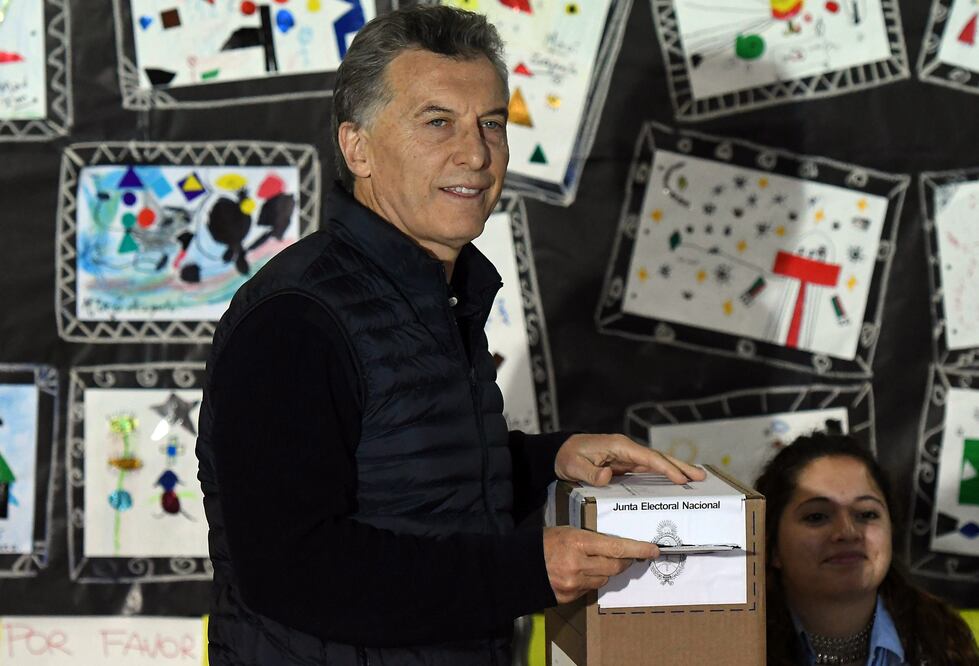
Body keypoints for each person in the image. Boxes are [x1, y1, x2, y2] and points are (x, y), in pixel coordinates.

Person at [195, 6, 705, 665]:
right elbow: (291, 567)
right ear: (358, 148)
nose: (475, 153)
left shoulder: (435, 291)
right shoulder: (294, 320)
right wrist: (526, 569)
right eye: (438, 122)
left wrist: (551, 460)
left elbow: (407, 482)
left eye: (491, 123)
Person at [754, 432, 979, 665]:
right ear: (772, 547)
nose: (848, 532)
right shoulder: (734, 646)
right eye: (817, 516)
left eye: (866, 514)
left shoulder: (947, 643)